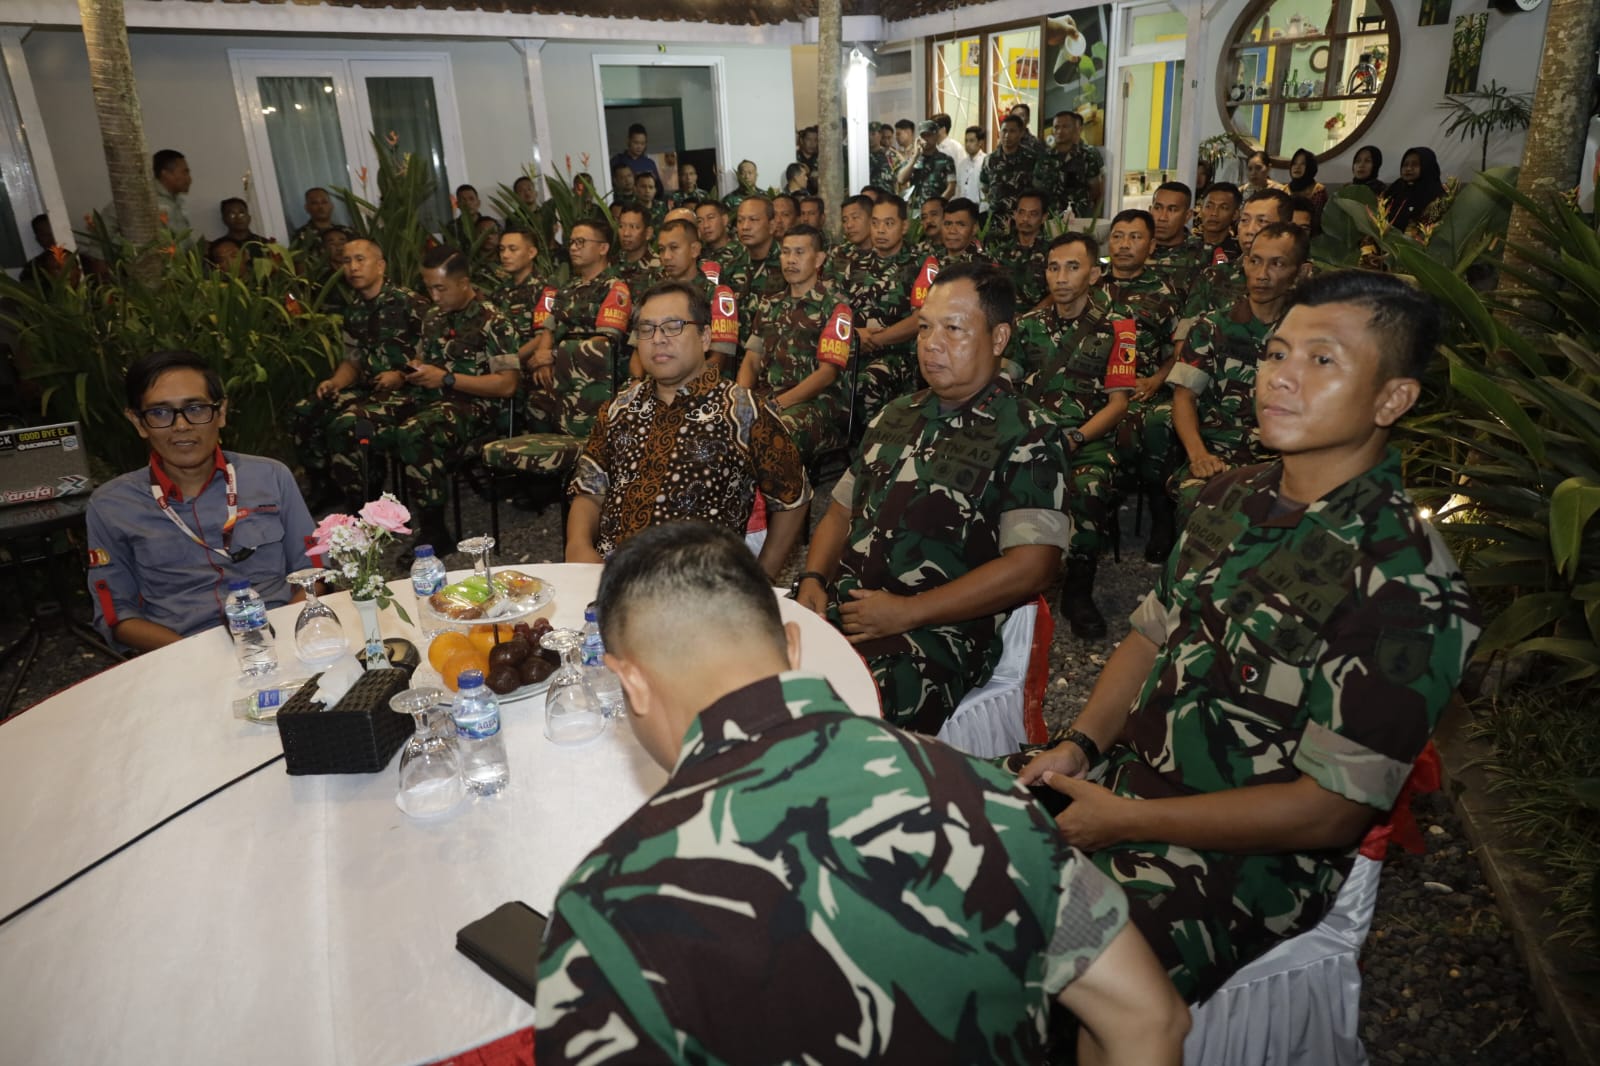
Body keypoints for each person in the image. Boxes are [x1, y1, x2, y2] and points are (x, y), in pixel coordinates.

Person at [536, 520, 1190, 1065]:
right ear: (793, 646)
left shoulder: (609, 907)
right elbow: (1151, 1019)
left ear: (632, 683)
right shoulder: (991, 799)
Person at [1016, 269, 1482, 1005]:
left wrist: (1128, 821)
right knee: (938, 848)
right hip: (1124, 788)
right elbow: (1144, 642)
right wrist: (1078, 747)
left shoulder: (1405, 581)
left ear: (1393, 398)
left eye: (1321, 360)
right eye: (1275, 354)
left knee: (1034, 979)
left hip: (1247, 861)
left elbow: (1333, 809)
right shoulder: (1230, 497)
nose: (1281, 379)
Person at [797, 263, 1070, 733]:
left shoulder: (1029, 434)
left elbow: (1034, 566)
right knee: (744, 683)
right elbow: (840, 509)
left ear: (999, 338)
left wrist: (907, 612)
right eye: (924, 327)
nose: (931, 343)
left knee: (831, 728)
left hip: (934, 636)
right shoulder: (896, 414)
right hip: (846, 610)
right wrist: (813, 577)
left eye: (953, 329)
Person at [568, 282, 810, 579]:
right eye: (647, 329)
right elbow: (590, 488)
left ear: (705, 337)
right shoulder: (618, 408)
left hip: (701, 587)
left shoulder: (744, 411)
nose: (658, 339)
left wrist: (762, 579)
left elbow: (792, 498)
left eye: (673, 326)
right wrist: (578, 547)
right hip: (612, 577)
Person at [87, 350, 316, 651]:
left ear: (220, 413)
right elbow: (117, 614)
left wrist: (285, 640)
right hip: (180, 652)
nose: (181, 426)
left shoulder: (271, 477)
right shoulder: (111, 506)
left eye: (195, 408)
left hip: (284, 635)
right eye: (160, 413)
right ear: (138, 422)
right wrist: (192, 657)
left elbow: (313, 572)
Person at [1010, 233, 1137, 638]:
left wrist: (1075, 440)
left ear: (1095, 274)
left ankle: (1078, 591)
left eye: (1072, 267)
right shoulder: (1025, 326)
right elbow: (1003, 384)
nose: (1061, 277)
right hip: (1031, 435)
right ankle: (1007, 585)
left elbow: (1118, 405)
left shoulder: (1120, 327)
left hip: (1086, 440)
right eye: (1053, 267)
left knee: (1089, 488)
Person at [381, 246, 520, 549]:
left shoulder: (493, 320)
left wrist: (447, 378)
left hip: (477, 406)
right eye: (429, 288)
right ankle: (368, 518)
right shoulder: (434, 317)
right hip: (431, 396)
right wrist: (412, 370)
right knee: (362, 418)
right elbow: (422, 358)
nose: (434, 296)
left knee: (416, 433)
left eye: (440, 288)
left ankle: (434, 533)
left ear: (463, 283)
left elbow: (507, 385)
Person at [1170, 222, 1309, 507]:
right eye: (1254, 261)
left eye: (1277, 264)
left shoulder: (1312, 338)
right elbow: (1184, 397)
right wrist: (1198, 455)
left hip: (1286, 460)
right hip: (1220, 453)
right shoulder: (1211, 326)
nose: (1261, 275)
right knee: (1196, 498)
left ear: (1301, 272)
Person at [300, 237, 430, 508]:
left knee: (347, 424)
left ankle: (364, 502)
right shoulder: (355, 311)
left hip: (412, 391)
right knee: (306, 410)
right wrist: (334, 382)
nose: (353, 267)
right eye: (347, 261)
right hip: (370, 389)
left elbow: (431, 353)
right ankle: (326, 487)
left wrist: (402, 375)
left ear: (380, 265)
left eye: (360, 259)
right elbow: (353, 360)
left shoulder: (410, 302)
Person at [736, 224, 853, 460]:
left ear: (819, 259)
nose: (790, 260)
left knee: (772, 435)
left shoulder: (835, 308)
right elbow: (751, 360)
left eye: (799, 253)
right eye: (785, 252)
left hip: (816, 405)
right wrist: (740, 399)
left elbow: (827, 374)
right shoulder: (769, 304)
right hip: (768, 396)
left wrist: (778, 404)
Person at [525, 217, 631, 439]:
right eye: (572, 242)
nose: (573, 247)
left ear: (603, 248)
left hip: (595, 381)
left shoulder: (614, 288)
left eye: (581, 242)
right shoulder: (567, 289)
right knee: (534, 402)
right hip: (561, 377)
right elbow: (549, 329)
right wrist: (543, 360)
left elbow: (604, 343)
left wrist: (553, 355)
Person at [625, 218, 740, 377]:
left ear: (694, 250)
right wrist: (638, 382)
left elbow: (719, 358)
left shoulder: (717, 295)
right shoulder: (654, 296)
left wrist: (680, 387)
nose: (666, 256)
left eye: (674, 248)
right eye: (662, 249)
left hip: (703, 388)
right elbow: (638, 352)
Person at [1034, 111, 1103, 219]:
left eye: (1065, 127)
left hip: (1077, 218)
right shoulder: (1045, 157)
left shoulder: (1087, 156)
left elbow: (1095, 190)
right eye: (1056, 127)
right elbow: (1037, 189)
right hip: (1050, 219)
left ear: (1075, 129)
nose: (1060, 131)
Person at [991, 188, 1050, 310]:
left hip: (1040, 320)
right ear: (1014, 214)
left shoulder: (1052, 252)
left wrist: (1029, 318)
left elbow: (1055, 294)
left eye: (1033, 214)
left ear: (1044, 217)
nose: (1025, 219)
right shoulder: (1001, 251)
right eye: (1021, 212)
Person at [982, 115, 1040, 232]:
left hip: (1023, 220)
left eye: (1012, 131)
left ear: (1021, 133)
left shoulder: (1031, 158)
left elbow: (1038, 188)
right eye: (1004, 131)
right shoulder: (990, 159)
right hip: (996, 219)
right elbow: (985, 187)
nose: (1007, 135)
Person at [896, 120, 956, 218]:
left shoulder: (946, 160)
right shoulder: (914, 159)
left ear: (936, 136)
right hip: (916, 212)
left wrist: (937, 206)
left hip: (937, 211)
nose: (926, 139)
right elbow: (901, 179)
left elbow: (951, 188)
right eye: (923, 136)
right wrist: (915, 157)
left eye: (929, 135)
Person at [1384, 146, 1446, 233]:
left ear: (1427, 166)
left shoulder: (1435, 194)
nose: (1408, 169)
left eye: (1415, 164)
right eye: (1405, 165)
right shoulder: (1398, 186)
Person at [613, 203, 659, 292]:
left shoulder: (658, 268)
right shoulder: (610, 263)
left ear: (648, 233)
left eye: (633, 227)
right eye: (621, 226)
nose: (626, 233)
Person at [1196, 181, 1243, 263]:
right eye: (1209, 206)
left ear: (1235, 214)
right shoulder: (1184, 248)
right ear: (1200, 210)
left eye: (1223, 208)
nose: (1214, 213)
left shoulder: (1241, 254)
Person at [609, 123, 663, 188]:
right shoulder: (617, 161)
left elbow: (659, 188)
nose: (639, 147)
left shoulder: (649, 163)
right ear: (628, 141)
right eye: (636, 143)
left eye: (642, 143)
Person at [290, 187, 337, 261]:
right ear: (307, 208)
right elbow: (299, 265)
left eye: (324, 202)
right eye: (315, 203)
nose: (320, 207)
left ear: (331, 206)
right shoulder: (301, 236)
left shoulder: (345, 232)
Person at [1285, 148, 1328, 223]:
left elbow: (1316, 220)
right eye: (1294, 163)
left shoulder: (1318, 190)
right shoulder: (1284, 189)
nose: (1297, 167)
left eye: (1303, 164)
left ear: (1310, 167)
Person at [956, 124, 988, 210]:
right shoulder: (962, 164)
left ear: (980, 142)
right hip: (964, 210)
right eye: (966, 141)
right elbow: (959, 189)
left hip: (981, 210)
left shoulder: (987, 162)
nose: (967, 144)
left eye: (971, 141)